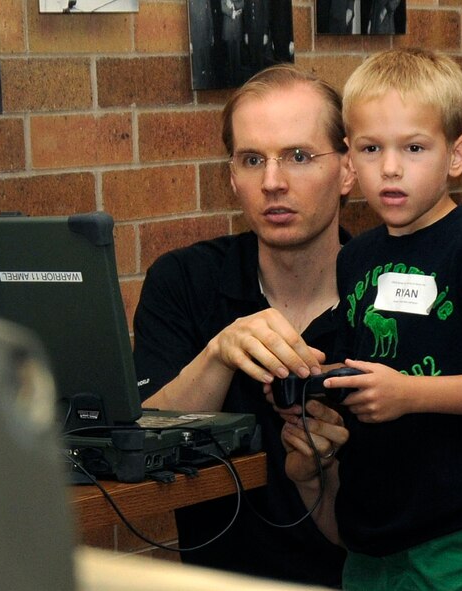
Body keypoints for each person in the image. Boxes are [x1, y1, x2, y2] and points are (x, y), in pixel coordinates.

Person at [282, 47, 462, 590]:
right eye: (370, 148)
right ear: (347, 161)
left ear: (456, 155)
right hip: (376, 529)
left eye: (413, 147)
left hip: (461, 535)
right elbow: (368, 352)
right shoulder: (355, 256)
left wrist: (411, 394)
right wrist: (310, 380)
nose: (389, 167)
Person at [132, 64, 356, 587]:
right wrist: (218, 353)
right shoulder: (184, 280)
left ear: (347, 170)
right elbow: (142, 445)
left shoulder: (387, 299)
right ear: (232, 176)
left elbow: (395, 523)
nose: (273, 182)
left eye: (299, 157)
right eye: (253, 160)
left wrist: (320, 475)